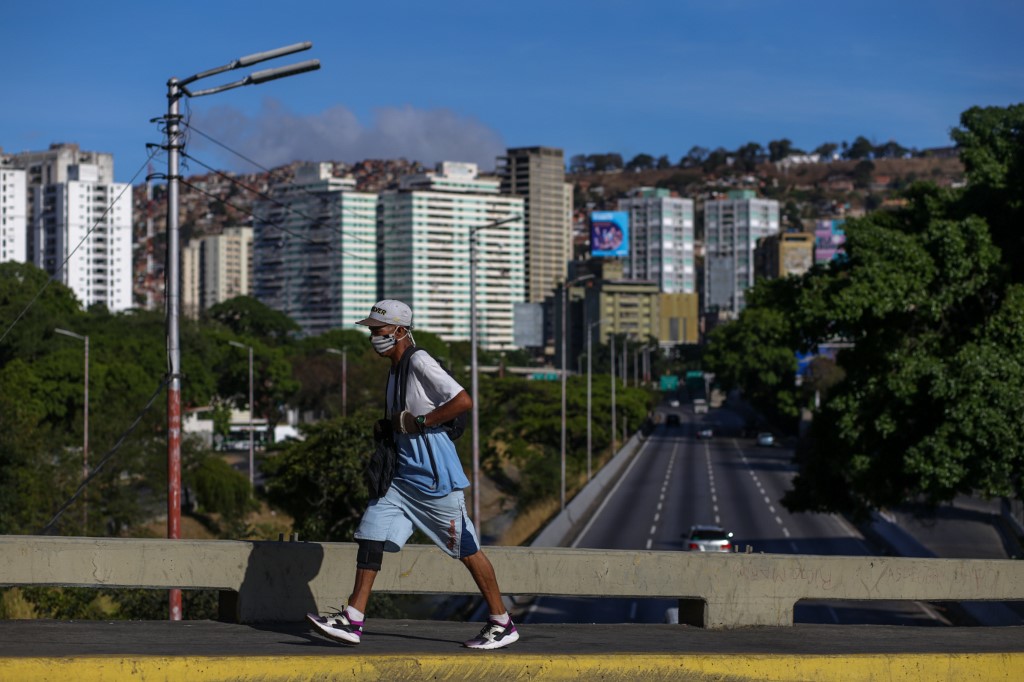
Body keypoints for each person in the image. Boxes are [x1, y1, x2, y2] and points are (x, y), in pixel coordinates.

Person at [306, 299, 519, 650]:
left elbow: (463, 400)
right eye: (371, 330)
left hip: (435, 481)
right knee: (371, 533)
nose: (373, 336)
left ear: (401, 330)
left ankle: (502, 621)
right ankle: (353, 619)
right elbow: (405, 418)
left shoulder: (419, 360)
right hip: (402, 480)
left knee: (467, 550)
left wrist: (421, 422)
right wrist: (389, 426)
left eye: (378, 330)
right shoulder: (394, 370)